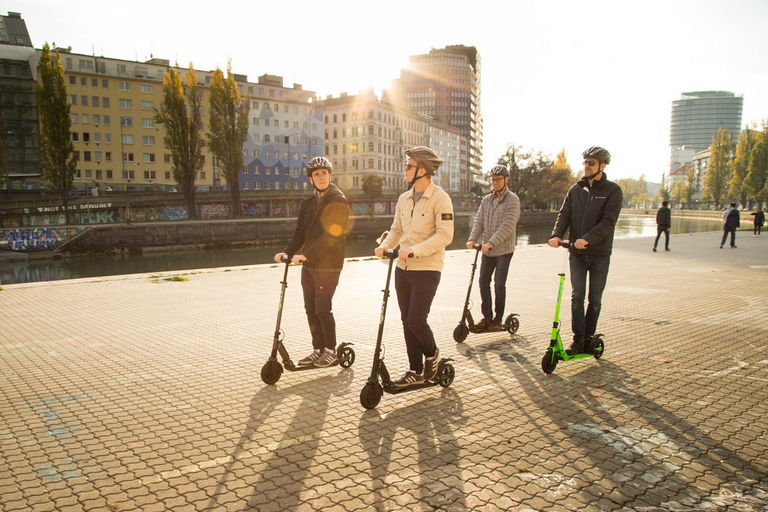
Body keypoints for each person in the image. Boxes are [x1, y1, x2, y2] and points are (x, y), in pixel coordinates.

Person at [375, 146, 454, 387]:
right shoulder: (403, 198)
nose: (405, 169)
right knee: (405, 320)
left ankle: (432, 354)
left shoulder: (440, 198)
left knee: (416, 320)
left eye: (409, 165)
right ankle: (415, 370)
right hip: (402, 268)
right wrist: (385, 246)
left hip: (427, 269)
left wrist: (414, 250)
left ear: (423, 170)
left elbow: (445, 235)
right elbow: (397, 230)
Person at [274, 156, 350, 368]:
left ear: (330, 175)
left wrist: (307, 254)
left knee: (322, 308)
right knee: (310, 308)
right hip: (309, 265)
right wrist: (287, 252)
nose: (321, 177)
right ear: (311, 179)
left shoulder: (338, 201)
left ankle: (330, 351)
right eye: (317, 174)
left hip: (328, 265)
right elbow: (300, 233)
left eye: (324, 173)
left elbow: (332, 235)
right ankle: (318, 349)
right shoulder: (308, 203)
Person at [548, 146, 623, 355]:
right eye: (584, 162)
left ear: (602, 165)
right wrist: (556, 235)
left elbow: (608, 221)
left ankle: (590, 338)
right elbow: (564, 215)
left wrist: (587, 239)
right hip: (577, 254)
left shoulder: (613, 191)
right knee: (577, 296)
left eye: (591, 163)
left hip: (600, 253)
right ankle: (578, 340)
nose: (586, 166)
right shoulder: (575, 190)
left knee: (595, 298)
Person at [466, 164, 521, 331]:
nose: (495, 182)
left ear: (506, 180)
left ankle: (498, 319)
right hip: (487, 250)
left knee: (499, 283)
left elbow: (508, 225)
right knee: (483, 281)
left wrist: (491, 242)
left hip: (503, 250)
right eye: (493, 180)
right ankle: (487, 317)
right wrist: (472, 238)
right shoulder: (487, 200)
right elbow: (479, 221)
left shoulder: (512, 199)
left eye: (499, 179)